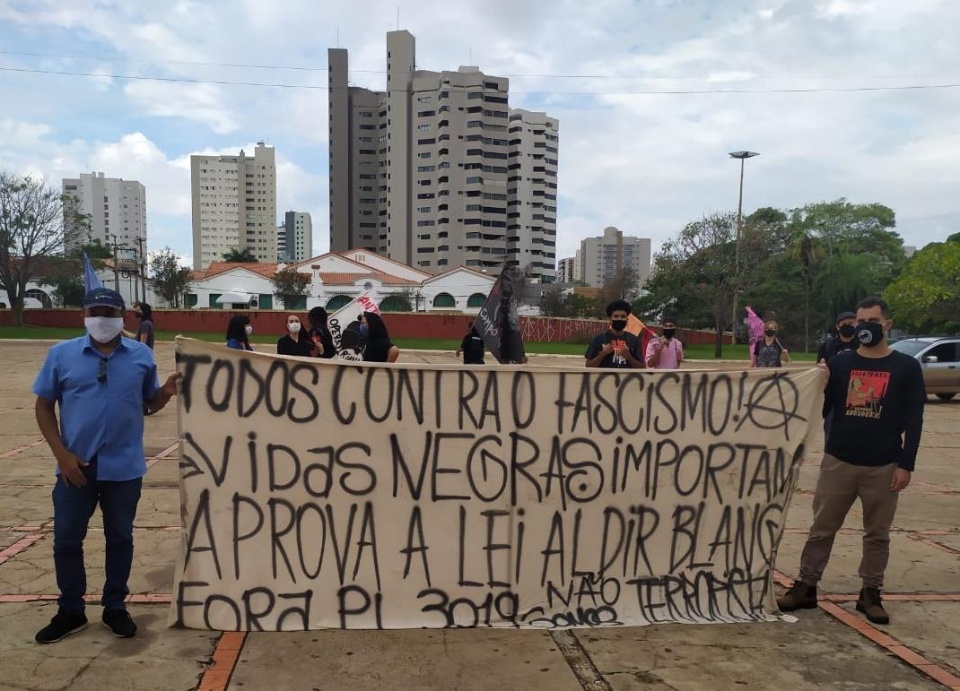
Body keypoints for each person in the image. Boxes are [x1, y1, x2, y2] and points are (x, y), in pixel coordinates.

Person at [32, 288, 180, 644]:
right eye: (95, 311)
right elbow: (43, 407)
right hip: (75, 467)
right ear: (84, 314)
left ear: (123, 316)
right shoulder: (61, 355)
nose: (102, 319)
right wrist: (62, 455)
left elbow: (147, 404)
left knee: (120, 539)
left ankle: (115, 607)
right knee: (67, 540)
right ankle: (71, 610)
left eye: (109, 313)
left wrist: (166, 392)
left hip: (123, 469)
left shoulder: (141, 356)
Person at [777, 297, 926, 625]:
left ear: (887, 324)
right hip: (839, 462)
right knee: (821, 528)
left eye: (871, 321)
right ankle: (806, 585)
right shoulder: (842, 363)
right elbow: (824, 406)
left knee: (877, 534)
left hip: (884, 465)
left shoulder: (905, 367)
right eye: (858, 322)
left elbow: (915, 418)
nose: (862, 328)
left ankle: (870, 593)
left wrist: (907, 464)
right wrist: (820, 381)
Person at [585, 300, 644, 369]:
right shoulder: (599, 339)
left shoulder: (634, 340)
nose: (619, 319)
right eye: (616, 316)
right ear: (610, 319)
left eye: (623, 316)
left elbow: (642, 367)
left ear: (627, 320)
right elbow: (588, 366)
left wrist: (628, 356)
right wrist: (603, 354)